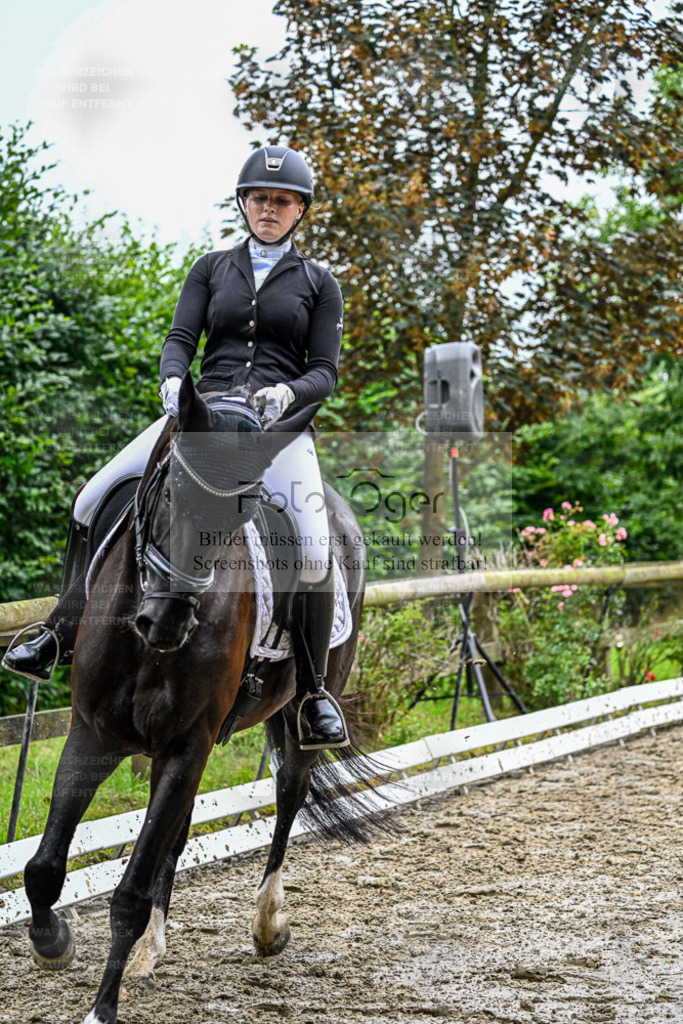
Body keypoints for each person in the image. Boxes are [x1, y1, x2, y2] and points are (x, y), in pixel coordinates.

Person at [3, 145, 348, 751]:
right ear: (244, 203)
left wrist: (285, 395)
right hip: (200, 415)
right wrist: (172, 377)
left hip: (278, 429)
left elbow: (324, 372)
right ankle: (58, 630)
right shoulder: (211, 267)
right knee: (92, 498)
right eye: (260, 199)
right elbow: (181, 336)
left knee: (315, 547)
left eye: (282, 201)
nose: (269, 209)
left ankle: (315, 692)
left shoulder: (321, 285)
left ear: (300, 210)